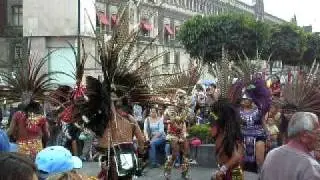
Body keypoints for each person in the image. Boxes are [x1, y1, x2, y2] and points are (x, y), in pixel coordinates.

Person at [260, 112, 320, 180]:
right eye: (317, 133)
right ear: (304, 136)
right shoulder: (310, 166)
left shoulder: (271, 154)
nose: (318, 137)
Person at [210, 100, 244, 180]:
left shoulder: (228, 135)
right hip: (229, 171)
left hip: (234, 172)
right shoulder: (224, 133)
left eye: (214, 115)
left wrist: (222, 170)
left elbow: (236, 156)